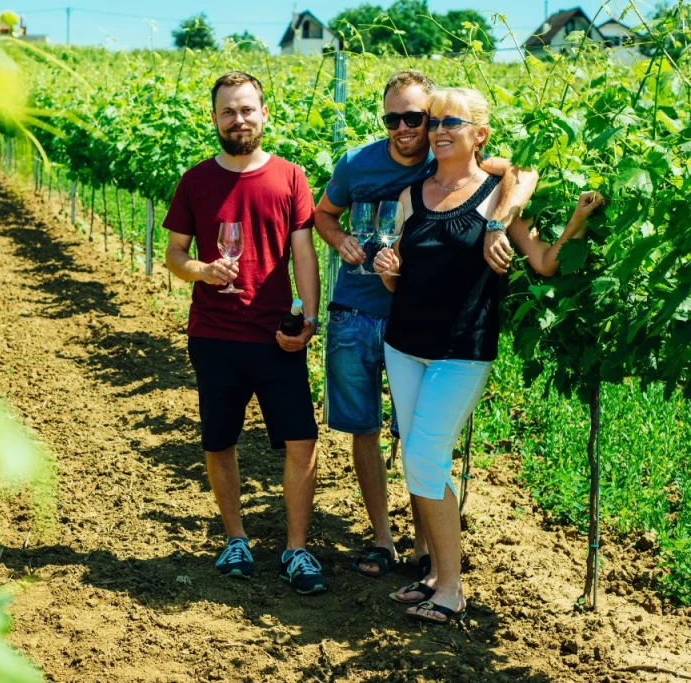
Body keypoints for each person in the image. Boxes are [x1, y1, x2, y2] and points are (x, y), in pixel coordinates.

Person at [373, 86, 605, 624]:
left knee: (423, 459)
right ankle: (433, 574)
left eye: (450, 122)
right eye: (433, 122)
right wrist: (389, 270)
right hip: (404, 345)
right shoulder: (414, 195)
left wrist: (577, 221)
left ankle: (451, 590)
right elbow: (399, 276)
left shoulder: (499, 200)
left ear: (480, 134)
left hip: (463, 349)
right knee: (423, 459)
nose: (437, 131)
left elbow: (545, 263)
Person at [313, 70, 537, 579]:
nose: (407, 127)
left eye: (418, 116)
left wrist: (500, 222)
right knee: (364, 428)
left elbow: (519, 172)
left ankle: (426, 549)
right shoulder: (357, 163)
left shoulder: (453, 160)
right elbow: (322, 214)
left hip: (419, 322)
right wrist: (339, 239)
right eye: (394, 118)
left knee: (416, 441)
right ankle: (381, 538)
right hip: (357, 310)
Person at [163, 71, 327, 595]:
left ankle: (296, 550)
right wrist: (203, 271)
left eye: (247, 110)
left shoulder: (291, 178)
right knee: (220, 438)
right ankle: (235, 538)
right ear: (214, 118)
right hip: (214, 333)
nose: (239, 120)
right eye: (228, 111)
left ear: (264, 114)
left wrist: (308, 319)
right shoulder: (195, 181)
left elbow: (304, 253)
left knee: (302, 440)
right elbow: (174, 255)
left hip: (275, 334)